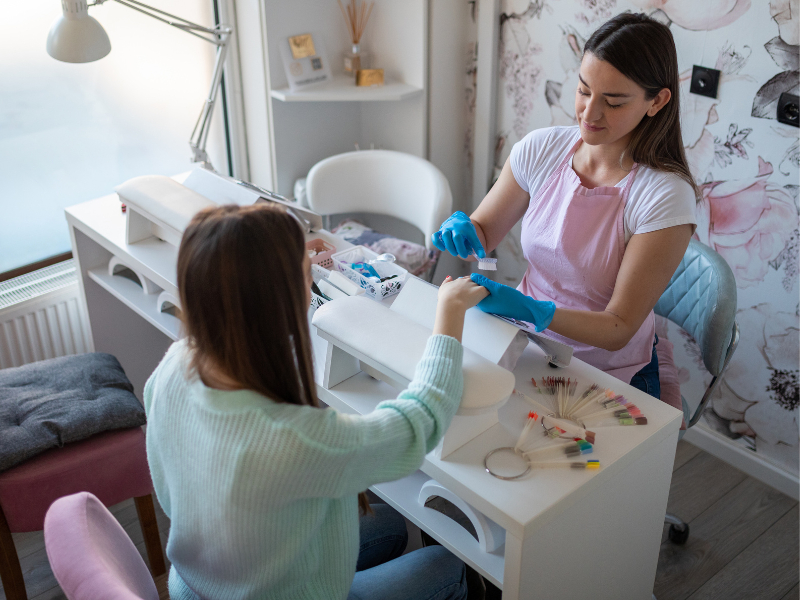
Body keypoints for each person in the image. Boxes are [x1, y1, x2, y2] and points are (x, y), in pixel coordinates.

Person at [144, 203, 488, 600]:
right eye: (308, 280)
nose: (312, 280)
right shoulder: (294, 439)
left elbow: (171, 499)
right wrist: (448, 317)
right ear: (280, 306)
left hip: (197, 583)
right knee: (445, 566)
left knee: (390, 523)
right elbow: (420, 422)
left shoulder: (173, 367)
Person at [433, 12, 697, 399]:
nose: (589, 114)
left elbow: (619, 327)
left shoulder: (664, 196)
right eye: (584, 90)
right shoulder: (542, 149)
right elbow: (485, 230)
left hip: (605, 366)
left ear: (656, 101)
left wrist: (537, 311)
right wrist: (468, 229)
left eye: (613, 101)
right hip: (527, 340)